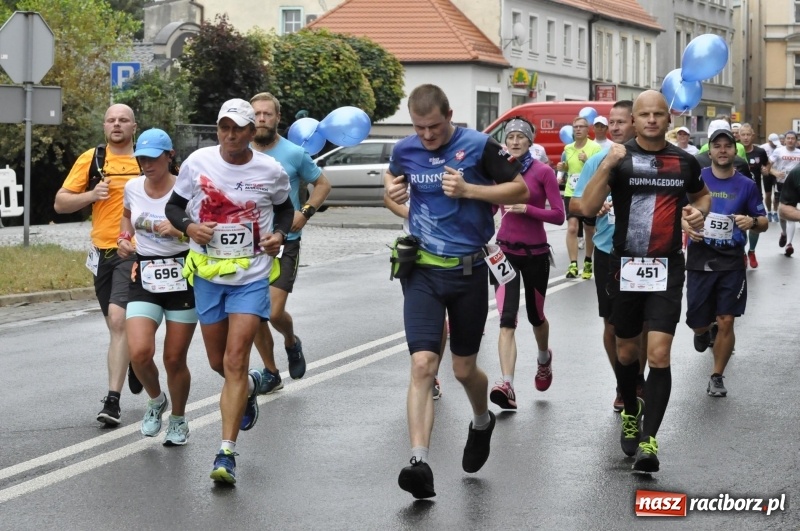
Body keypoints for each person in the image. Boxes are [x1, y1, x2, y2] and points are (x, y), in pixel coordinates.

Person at [384, 84, 528, 499]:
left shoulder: (481, 146)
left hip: (468, 272)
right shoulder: (405, 151)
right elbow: (393, 192)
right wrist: (394, 196)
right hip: (423, 272)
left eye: (433, 127)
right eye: (418, 128)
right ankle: (418, 462)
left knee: (464, 370)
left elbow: (521, 190)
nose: (426, 136)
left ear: (449, 114)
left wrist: (470, 190)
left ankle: (482, 420)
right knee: (423, 366)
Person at [580, 90, 710, 473]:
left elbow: (702, 198)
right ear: (633, 119)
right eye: (644, 114)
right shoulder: (619, 158)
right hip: (625, 268)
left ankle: (650, 442)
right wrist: (607, 165)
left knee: (659, 355)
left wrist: (696, 213)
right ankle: (630, 409)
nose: (652, 120)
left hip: (667, 267)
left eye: (658, 114)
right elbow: (586, 209)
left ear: (669, 120)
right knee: (626, 354)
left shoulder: (685, 162)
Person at [165, 99, 293, 484]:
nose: (230, 134)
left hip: (251, 276)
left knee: (236, 360)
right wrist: (189, 227)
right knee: (218, 363)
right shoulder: (197, 163)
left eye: (238, 128)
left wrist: (280, 236)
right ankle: (251, 387)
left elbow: (286, 211)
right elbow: (174, 206)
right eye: (224, 127)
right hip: (207, 274)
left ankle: (226, 453)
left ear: (252, 132)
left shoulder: (270, 170)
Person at [53, 104, 143, 426]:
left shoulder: (146, 159)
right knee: (116, 325)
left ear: (134, 126)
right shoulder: (93, 160)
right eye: (111, 120)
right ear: (104, 126)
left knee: (119, 321)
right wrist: (91, 195)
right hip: (102, 253)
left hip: (135, 251)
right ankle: (136, 357)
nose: (116, 124)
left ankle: (112, 401)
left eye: (123, 120)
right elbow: (60, 203)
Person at [117, 128, 197, 445]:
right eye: (141, 159)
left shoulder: (186, 190)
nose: (146, 165)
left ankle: (178, 418)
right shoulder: (133, 187)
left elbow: (207, 233)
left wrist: (180, 233)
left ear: (169, 156)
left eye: (152, 158)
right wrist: (124, 240)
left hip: (182, 276)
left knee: (174, 359)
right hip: (145, 274)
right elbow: (126, 217)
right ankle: (155, 400)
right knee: (138, 353)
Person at [248, 92, 332, 394]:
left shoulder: (294, 153)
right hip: (249, 243)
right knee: (254, 313)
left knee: (271, 311)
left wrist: (306, 212)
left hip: (286, 240)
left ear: (277, 118)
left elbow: (323, 184)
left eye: (266, 114)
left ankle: (291, 341)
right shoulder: (239, 152)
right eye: (256, 114)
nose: (261, 119)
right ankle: (271, 372)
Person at [571, 100, 648, 411]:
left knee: (639, 324)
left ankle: (637, 379)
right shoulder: (599, 160)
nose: (615, 128)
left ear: (634, 123)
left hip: (644, 254)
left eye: (620, 122)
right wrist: (595, 204)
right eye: (610, 123)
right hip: (607, 251)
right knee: (613, 325)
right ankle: (622, 382)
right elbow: (576, 206)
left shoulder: (650, 160)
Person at [683, 121, 767, 398]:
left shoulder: (746, 184)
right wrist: (686, 226)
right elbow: (676, 210)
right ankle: (702, 331)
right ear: (710, 151)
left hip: (731, 260)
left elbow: (764, 221)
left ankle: (717, 375)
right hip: (699, 258)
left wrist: (750, 221)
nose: (722, 150)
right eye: (717, 146)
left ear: (735, 150)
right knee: (698, 320)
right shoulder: (698, 179)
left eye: (727, 146)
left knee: (727, 320)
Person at [489, 118, 565, 410]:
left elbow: (559, 215)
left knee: (536, 316)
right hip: (504, 252)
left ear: (530, 141)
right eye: (511, 137)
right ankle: (506, 384)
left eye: (522, 137)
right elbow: (493, 206)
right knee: (507, 319)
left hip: (535, 253)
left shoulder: (543, 172)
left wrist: (527, 209)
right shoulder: (500, 172)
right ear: (505, 142)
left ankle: (544, 358)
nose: (516, 141)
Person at [557, 117, 602, 279]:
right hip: (571, 193)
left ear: (587, 129)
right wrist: (562, 168)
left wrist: (587, 161)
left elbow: (600, 170)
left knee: (589, 229)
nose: (577, 130)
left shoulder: (595, 148)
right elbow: (566, 167)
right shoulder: (568, 148)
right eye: (575, 127)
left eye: (581, 127)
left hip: (589, 193)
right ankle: (573, 264)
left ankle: (588, 260)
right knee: (572, 228)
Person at [738, 123, 770, 267]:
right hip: (739, 193)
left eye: (748, 134)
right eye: (742, 134)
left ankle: (752, 251)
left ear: (753, 136)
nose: (745, 137)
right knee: (741, 224)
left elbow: (767, 164)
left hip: (755, 193)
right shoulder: (735, 150)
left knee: (756, 223)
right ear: (739, 136)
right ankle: (743, 253)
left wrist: (766, 171)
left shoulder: (760, 151)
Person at [769, 130, 800, 256]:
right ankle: (784, 233)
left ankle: (789, 244)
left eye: (793, 138)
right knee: (782, 214)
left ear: (796, 140)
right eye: (788, 138)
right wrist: (775, 173)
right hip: (782, 184)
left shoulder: (799, 152)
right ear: (785, 140)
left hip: (795, 185)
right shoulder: (778, 151)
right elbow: (768, 167)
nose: (791, 140)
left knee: (791, 212)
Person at [760, 133, 781, 221]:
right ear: (769, 141)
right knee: (768, 194)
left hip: (777, 173)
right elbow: (760, 161)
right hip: (767, 174)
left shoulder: (780, 147)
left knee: (777, 195)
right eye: (773, 143)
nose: (775, 144)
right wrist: (764, 170)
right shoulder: (763, 148)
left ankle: (775, 212)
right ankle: (769, 211)